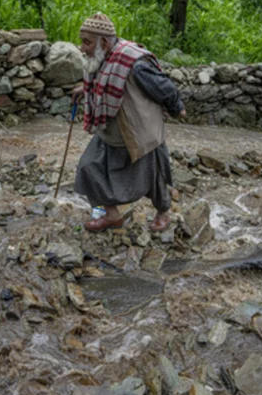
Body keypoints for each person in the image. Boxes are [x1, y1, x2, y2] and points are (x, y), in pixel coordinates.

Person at [71, 12, 186, 233]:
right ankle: (112, 215)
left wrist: (177, 108)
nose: (82, 47)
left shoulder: (134, 64)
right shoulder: (104, 55)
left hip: (138, 131)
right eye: (82, 41)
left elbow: (165, 88)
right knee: (89, 167)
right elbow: (102, 78)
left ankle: (164, 213)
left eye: (87, 42)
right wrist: (83, 90)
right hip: (110, 130)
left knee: (155, 176)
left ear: (104, 42)